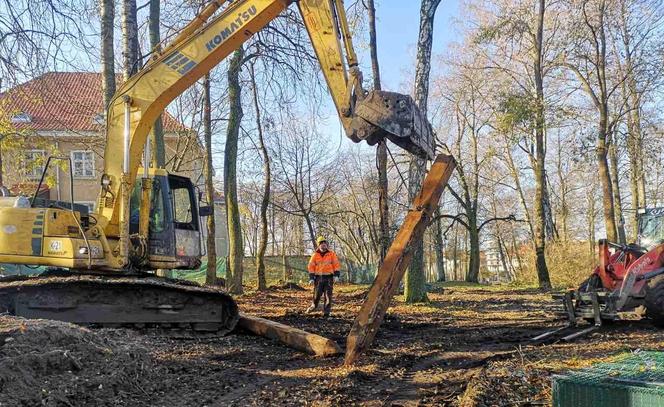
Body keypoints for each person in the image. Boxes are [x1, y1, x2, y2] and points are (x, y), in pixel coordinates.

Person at [306, 236, 340, 317]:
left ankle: (326, 313)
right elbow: (311, 266)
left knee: (328, 296)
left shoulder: (331, 254)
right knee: (317, 295)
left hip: (329, 278)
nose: (324, 245)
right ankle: (313, 306)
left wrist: (336, 275)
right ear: (319, 245)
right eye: (322, 243)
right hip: (318, 278)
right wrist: (311, 278)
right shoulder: (315, 255)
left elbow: (336, 264)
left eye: (325, 243)